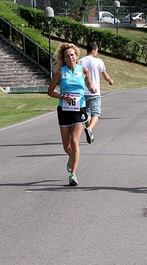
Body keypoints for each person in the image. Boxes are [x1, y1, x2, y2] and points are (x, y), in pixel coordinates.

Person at [47, 43, 96, 186]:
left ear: (76, 56)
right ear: (64, 58)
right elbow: (50, 91)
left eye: (72, 55)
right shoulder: (60, 73)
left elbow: (89, 84)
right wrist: (62, 97)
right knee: (66, 146)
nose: (70, 58)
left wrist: (92, 88)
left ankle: (73, 174)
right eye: (67, 56)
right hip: (64, 110)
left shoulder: (83, 70)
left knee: (75, 142)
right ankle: (71, 157)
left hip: (79, 109)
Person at [78, 42, 114, 144]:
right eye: (97, 51)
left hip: (83, 92)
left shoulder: (79, 62)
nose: (97, 53)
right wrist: (110, 81)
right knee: (96, 113)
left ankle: (90, 132)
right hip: (94, 92)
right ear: (93, 50)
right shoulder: (98, 61)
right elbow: (105, 76)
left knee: (87, 113)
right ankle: (89, 129)